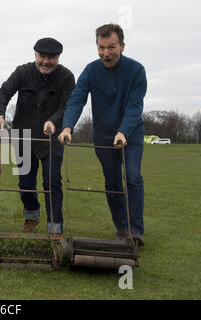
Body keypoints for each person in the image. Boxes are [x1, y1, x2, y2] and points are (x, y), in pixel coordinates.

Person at [58, 23, 147, 246]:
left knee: (133, 177)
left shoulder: (136, 71)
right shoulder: (90, 70)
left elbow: (134, 107)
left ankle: (135, 230)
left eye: (111, 47)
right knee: (113, 181)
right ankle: (122, 229)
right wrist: (67, 126)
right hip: (104, 136)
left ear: (122, 46)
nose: (106, 53)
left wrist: (123, 132)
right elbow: (77, 99)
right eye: (101, 48)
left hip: (131, 135)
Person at [0, 38, 75, 239]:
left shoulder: (66, 77)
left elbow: (67, 106)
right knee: (25, 182)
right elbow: (3, 93)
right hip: (23, 137)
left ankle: (55, 227)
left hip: (51, 141)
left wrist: (54, 121)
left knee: (52, 182)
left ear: (58, 57)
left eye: (51, 57)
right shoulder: (23, 72)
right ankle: (31, 216)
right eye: (42, 56)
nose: (46, 61)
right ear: (35, 55)